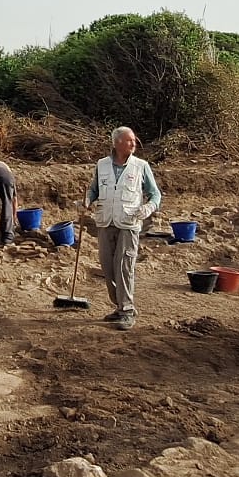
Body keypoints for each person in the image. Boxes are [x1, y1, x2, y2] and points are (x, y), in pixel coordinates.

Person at [84, 126, 163, 330]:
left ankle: (127, 310)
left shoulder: (141, 166)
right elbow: (94, 189)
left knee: (124, 266)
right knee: (108, 267)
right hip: (105, 222)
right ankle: (120, 306)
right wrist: (86, 200)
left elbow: (155, 194)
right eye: (129, 140)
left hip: (129, 224)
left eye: (134, 140)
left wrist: (148, 208)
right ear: (116, 143)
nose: (134, 143)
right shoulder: (101, 165)